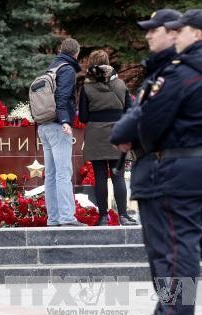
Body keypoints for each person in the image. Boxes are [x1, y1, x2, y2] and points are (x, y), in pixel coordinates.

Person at [116, 9, 202, 315]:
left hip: (181, 167)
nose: (175, 36)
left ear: (197, 34)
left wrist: (140, 139)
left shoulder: (182, 72)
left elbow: (151, 122)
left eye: (181, 30)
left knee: (177, 244)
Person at [111, 7, 181, 315]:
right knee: (158, 248)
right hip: (152, 166)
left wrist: (127, 134)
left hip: (164, 167)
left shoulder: (174, 72)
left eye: (156, 29)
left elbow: (146, 117)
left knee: (168, 249)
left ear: (175, 32)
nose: (149, 34)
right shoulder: (158, 72)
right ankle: (165, 310)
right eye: (148, 29)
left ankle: (172, 313)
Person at [78, 49, 136, 226]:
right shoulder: (120, 85)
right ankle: (124, 216)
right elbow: (129, 111)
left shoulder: (87, 88)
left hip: (96, 134)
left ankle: (103, 216)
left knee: (100, 176)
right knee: (118, 175)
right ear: (108, 63)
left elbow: (83, 118)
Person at [37, 38, 85, 227]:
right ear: (76, 53)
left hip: (44, 125)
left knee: (50, 174)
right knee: (63, 173)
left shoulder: (52, 67)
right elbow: (63, 96)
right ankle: (66, 217)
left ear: (60, 50)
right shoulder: (67, 69)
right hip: (58, 126)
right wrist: (66, 120)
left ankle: (54, 218)